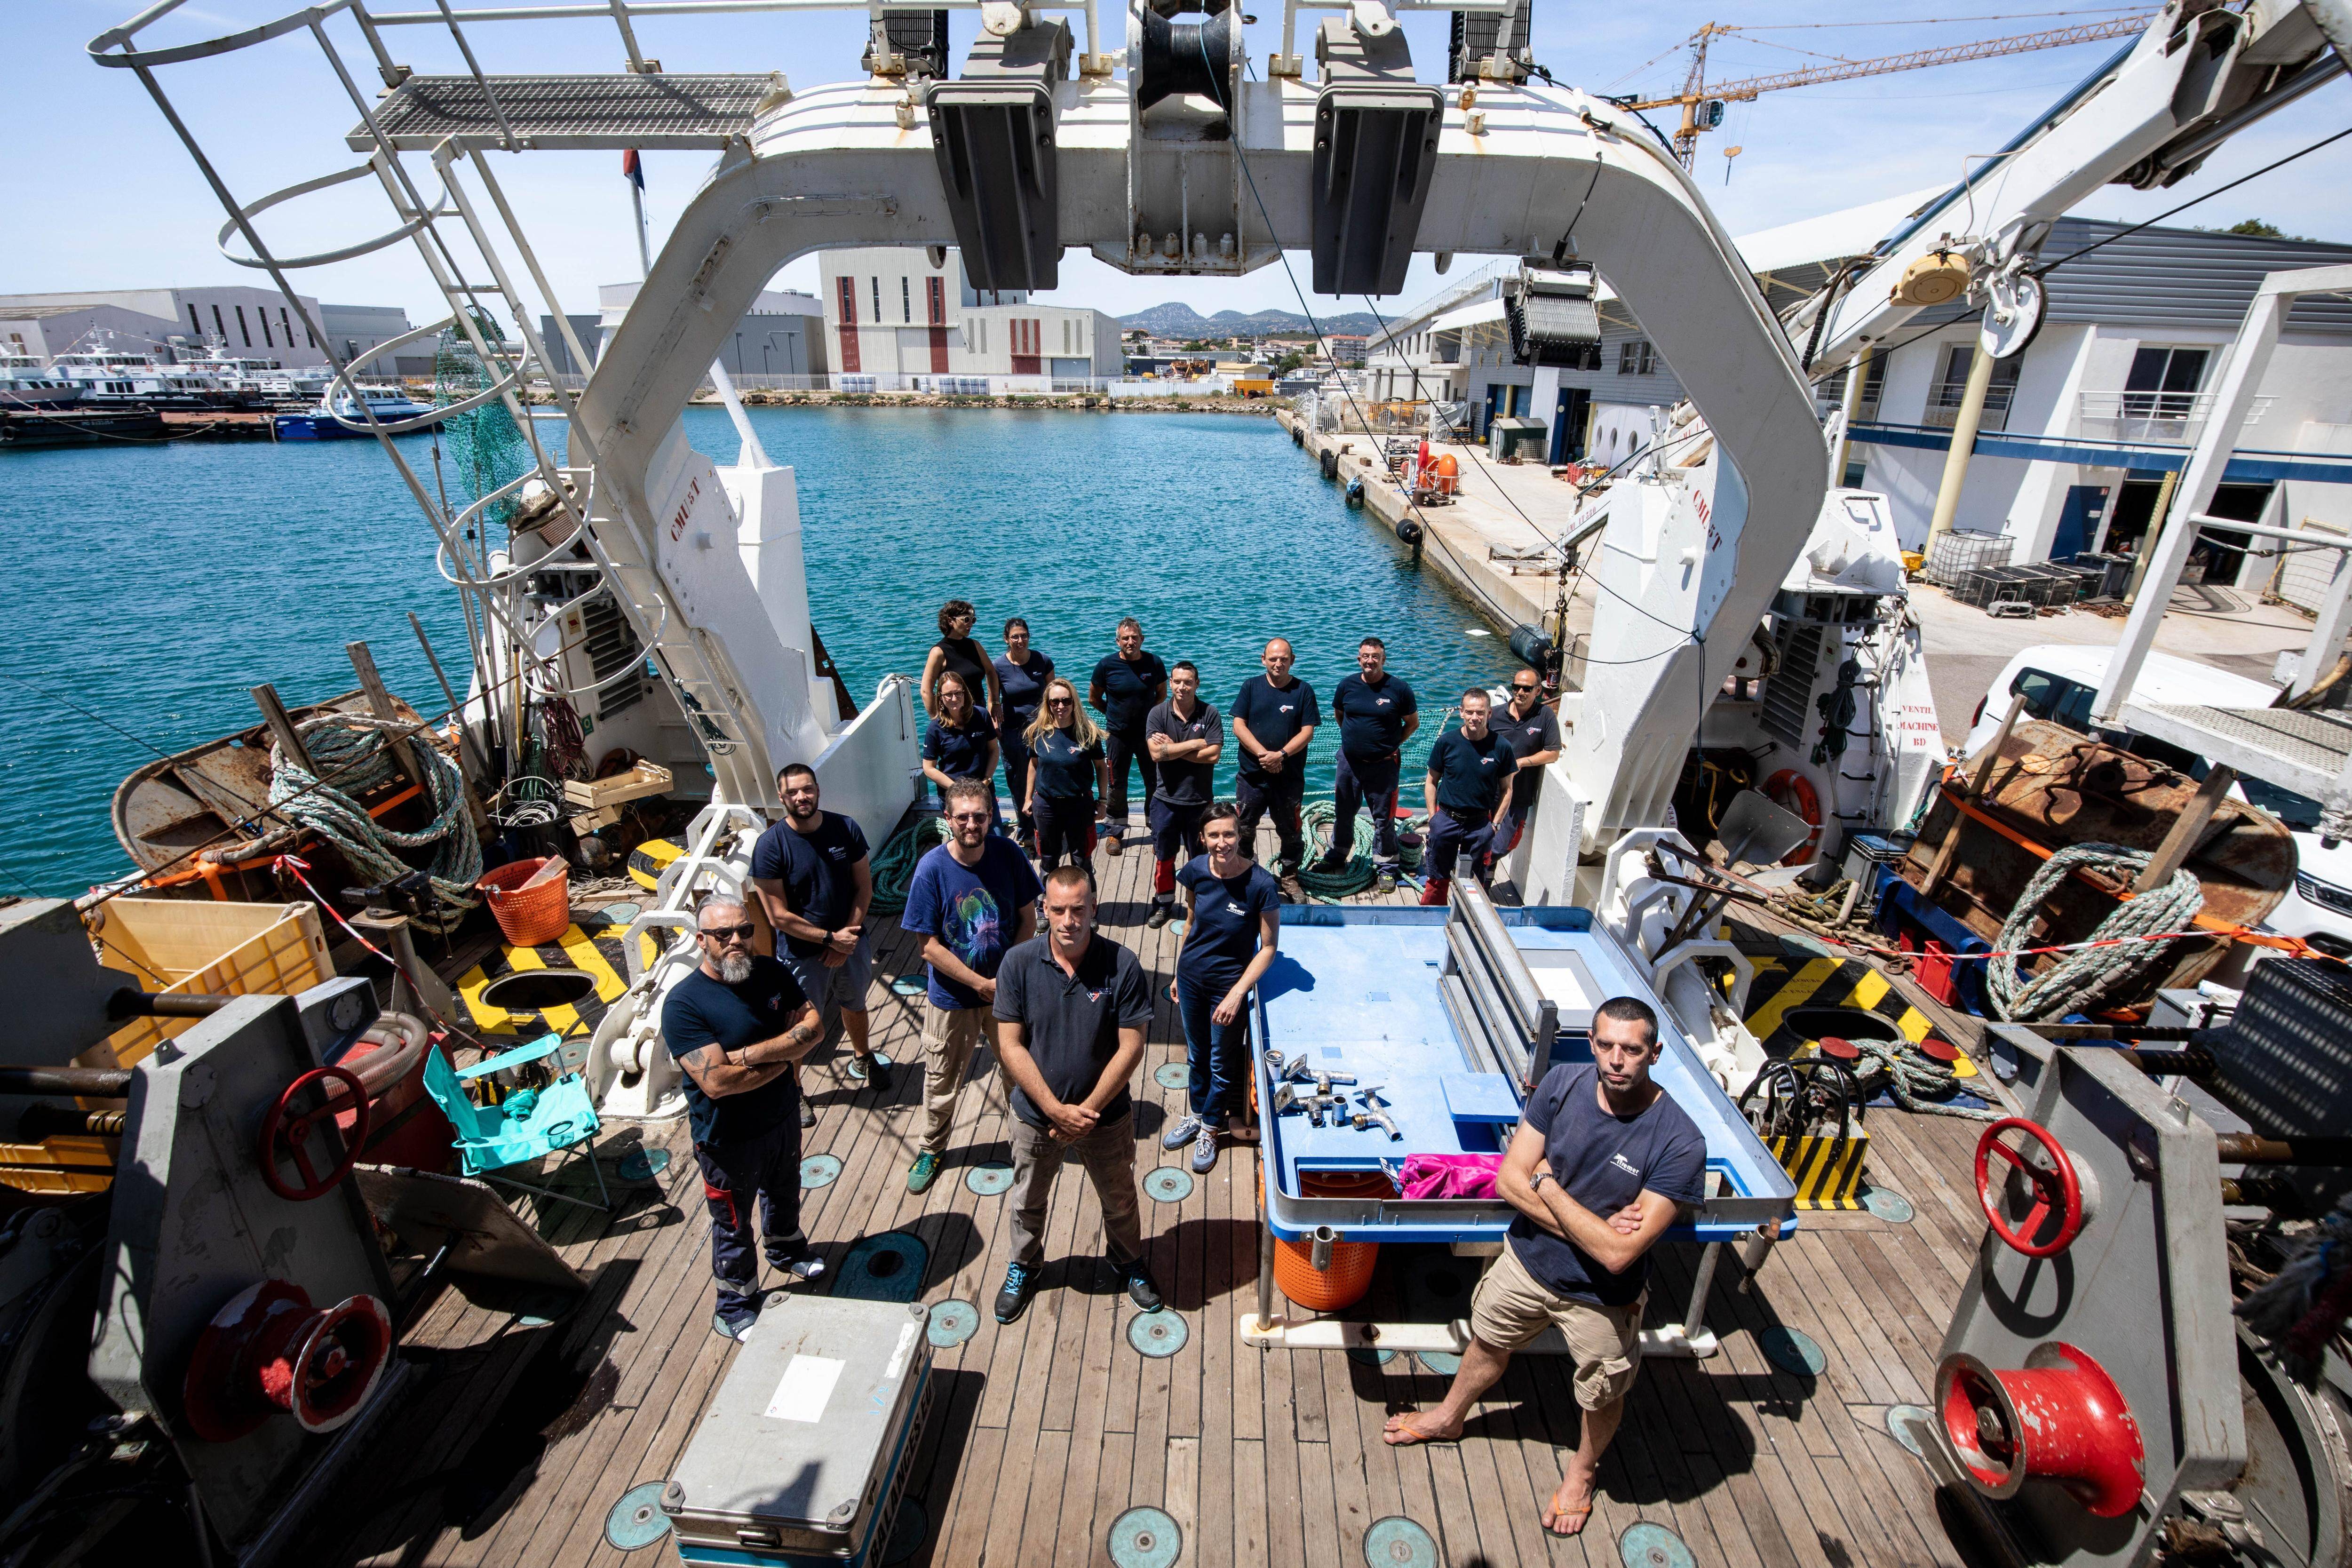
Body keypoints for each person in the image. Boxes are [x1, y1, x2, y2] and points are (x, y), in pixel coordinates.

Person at [1382, 996, 1706, 1539]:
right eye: (1605, 1045)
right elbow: (1510, 1180)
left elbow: (1618, 1256)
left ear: (1655, 1052)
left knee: (1601, 1392)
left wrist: (1549, 1184)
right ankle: (1448, 1416)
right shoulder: (1560, 1086)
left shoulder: (1678, 1141)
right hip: (1527, 1263)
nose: (1616, 1060)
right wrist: (1594, 1227)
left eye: (1630, 1049)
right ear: (1590, 1043)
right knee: (1486, 1341)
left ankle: (1581, 1473)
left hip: (1604, 1296)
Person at [991, 866, 1163, 1323]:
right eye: (1059, 910)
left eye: (1078, 910)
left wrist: (1084, 1111)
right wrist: (1052, 1109)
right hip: (1034, 1117)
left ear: (1094, 910)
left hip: (1103, 1118)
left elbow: (1132, 1046)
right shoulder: (1017, 964)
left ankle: (1127, 1261)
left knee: (1120, 1199)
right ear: (1043, 909)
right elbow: (1009, 1044)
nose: (1069, 920)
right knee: (1026, 1200)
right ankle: (1024, 1267)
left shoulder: (1122, 965)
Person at [661, 895, 829, 1339]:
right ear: (702, 941)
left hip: (782, 1118)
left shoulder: (772, 972)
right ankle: (735, 1305)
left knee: (785, 1190)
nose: (736, 940)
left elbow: (815, 1028)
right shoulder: (684, 1005)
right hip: (726, 1140)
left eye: (744, 930)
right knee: (733, 1225)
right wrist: (788, 1051)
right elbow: (717, 1083)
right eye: (723, 935)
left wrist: (752, 1055)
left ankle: (787, 1250)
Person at [898, 779, 1042, 1194]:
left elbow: (1028, 920)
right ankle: (932, 1148)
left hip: (1007, 994)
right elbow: (928, 947)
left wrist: (1007, 979)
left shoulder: (1009, 853)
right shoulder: (931, 869)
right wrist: (982, 983)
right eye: (962, 816)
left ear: (991, 816)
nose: (971, 824)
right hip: (952, 999)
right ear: (947, 819)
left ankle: (1025, 1138)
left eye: (979, 816)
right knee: (942, 1079)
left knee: (1019, 1072)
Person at [748, 764, 892, 1094]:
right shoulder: (770, 846)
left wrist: (846, 939)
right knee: (801, 1022)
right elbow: (778, 916)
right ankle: (796, 1087)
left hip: (850, 942)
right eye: (794, 792)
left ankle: (862, 1055)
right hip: (802, 953)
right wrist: (830, 939)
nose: (802, 797)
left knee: (855, 1003)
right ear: (782, 797)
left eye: (808, 789)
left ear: (818, 790)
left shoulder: (845, 828)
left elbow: (864, 888)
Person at [1160, 803, 1280, 1174]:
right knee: (1197, 1056)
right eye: (1214, 835)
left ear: (1239, 835)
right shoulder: (1195, 870)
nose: (1222, 842)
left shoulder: (1261, 883)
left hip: (1227, 988)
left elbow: (1270, 948)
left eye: (1228, 834)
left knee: (1220, 1062)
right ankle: (1197, 1115)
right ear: (1202, 838)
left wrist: (1236, 993)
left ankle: (1211, 1127)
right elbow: (1191, 922)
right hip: (1193, 979)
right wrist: (1179, 973)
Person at [1319, 636, 1418, 893]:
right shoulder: (1347, 686)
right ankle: (1337, 855)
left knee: (1383, 819)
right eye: (1366, 656)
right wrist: (1356, 742)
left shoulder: (1400, 689)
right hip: (1349, 763)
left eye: (1376, 657)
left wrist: (1391, 744)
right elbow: (1340, 715)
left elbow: (1413, 723)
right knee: (1343, 812)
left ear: (1384, 659)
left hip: (1384, 766)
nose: (1370, 661)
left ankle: (1386, 867)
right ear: (1359, 659)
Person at [1142, 660, 1223, 930]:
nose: (1182, 687)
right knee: (1164, 857)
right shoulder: (1157, 714)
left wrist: (1173, 750)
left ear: (1197, 684)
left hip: (1200, 802)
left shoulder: (1210, 713)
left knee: (1200, 859)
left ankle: (1201, 906)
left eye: (1188, 682)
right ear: (1171, 683)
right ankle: (1164, 903)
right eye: (1177, 682)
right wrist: (1193, 744)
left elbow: (1213, 755)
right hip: (1165, 801)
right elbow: (1156, 754)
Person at [1229, 638, 1320, 876]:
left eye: (1283, 659)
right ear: (1264, 660)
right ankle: (1244, 872)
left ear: (1293, 660)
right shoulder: (1250, 687)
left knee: (1290, 831)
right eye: (1273, 659)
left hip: (1288, 778)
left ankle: (1290, 876)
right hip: (1252, 777)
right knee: (1245, 828)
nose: (1278, 664)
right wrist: (1264, 756)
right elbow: (1239, 726)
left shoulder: (1304, 691)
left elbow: (1308, 732)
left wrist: (1281, 756)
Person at [1419, 688, 1516, 907]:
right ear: (1461, 712)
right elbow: (1431, 782)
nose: (1475, 718)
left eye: (1481, 712)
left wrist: (1495, 826)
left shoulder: (1501, 747)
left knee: (1474, 883)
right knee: (1437, 878)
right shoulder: (1447, 742)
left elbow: (1507, 790)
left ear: (1490, 714)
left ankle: (1469, 919)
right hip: (1446, 821)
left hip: (1480, 826)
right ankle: (1432, 918)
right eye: (1470, 712)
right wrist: (1433, 818)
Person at [1088, 617, 1168, 857]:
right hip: (1117, 736)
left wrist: (1149, 719)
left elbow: (1162, 694)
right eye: (1126, 638)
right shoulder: (1106, 666)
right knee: (1116, 783)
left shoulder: (1154, 662)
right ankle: (1115, 830)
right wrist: (1114, 716)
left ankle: (1156, 829)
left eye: (1135, 637)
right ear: (1118, 641)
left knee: (1153, 782)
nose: (1130, 642)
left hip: (1148, 735)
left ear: (1142, 639)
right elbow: (1094, 698)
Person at [1024, 676, 1111, 874]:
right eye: (1055, 702)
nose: (1061, 706)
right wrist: (1028, 797)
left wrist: (1103, 800)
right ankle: (1046, 902)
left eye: (1066, 700)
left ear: (1074, 702)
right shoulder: (1037, 732)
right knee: (1048, 859)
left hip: (1079, 805)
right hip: (1046, 805)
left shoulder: (1088, 732)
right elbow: (1033, 764)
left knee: (1082, 860)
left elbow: (1101, 767)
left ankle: (1089, 901)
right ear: (1048, 704)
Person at [1489, 667, 1564, 865]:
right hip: (1486, 790)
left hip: (1518, 795)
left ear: (1538, 691)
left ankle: (1476, 865)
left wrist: (1523, 762)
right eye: (1516, 687)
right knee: (1477, 837)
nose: (1520, 692)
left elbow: (1553, 752)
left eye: (1527, 689)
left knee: (1504, 844)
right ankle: (1482, 881)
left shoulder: (1545, 716)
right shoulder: (1494, 715)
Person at [995, 617, 1055, 852]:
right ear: (1007, 639)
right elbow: (993, 700)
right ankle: (1026, 828)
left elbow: (1053, 694)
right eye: (1015, 637)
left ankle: (1047, 825)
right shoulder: (998, 667)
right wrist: (995, 725)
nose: (1020, 641)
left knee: (1046, 777)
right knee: (1018, 782)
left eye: (1024, 636)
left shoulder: (1043, 661)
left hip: (1042, 730)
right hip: (1013, 733)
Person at [922, 670, 1000, 828]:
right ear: (941, 698)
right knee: (964, 843)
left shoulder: (982, 715)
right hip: (953, 796)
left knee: (995, 836)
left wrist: (987, 779)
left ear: (965, 694)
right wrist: (957, 789)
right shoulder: (935, 729)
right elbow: (929, 768)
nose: (954, 699)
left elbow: (994, 750)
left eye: (958, 693)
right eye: (949, 695)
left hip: (983, 790)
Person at [923, 598, 1004, 724]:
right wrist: (939, 720)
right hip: (954, 718)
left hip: (979, 713)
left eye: (973, 620)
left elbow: (991, 672)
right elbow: (926, 691)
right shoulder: (939, 652)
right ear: (951, 621)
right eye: (966, 620)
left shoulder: (975, 646)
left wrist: (994, 703)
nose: (970, 624)